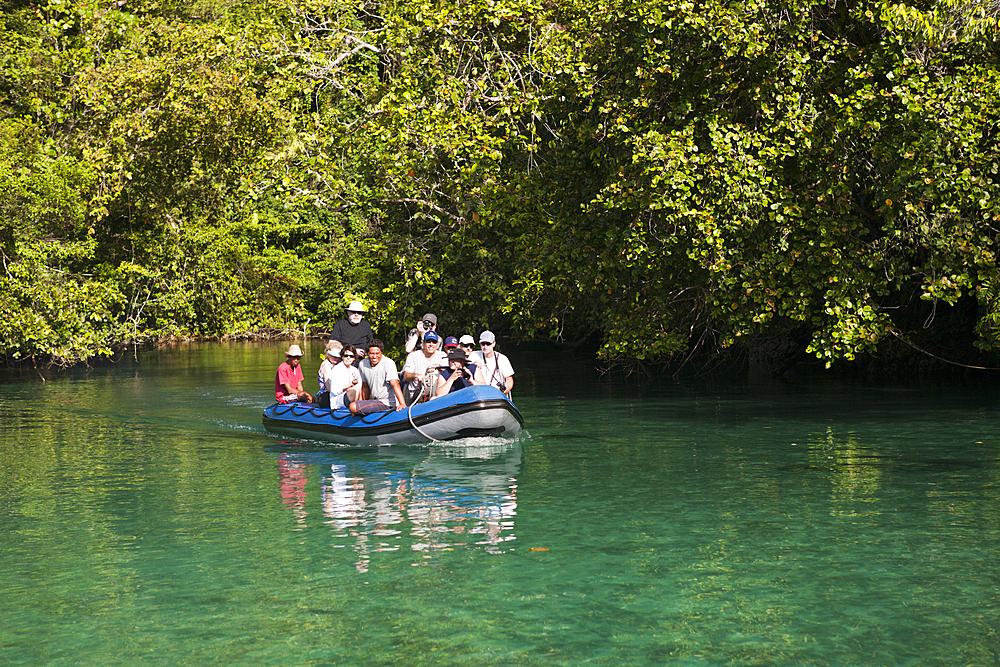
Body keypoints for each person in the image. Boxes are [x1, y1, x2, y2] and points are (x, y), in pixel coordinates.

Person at [350, 339, 406, 414]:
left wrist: (402, 404)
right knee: (355, 406)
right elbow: (365, 386)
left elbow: (395, 384)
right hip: (375, 401)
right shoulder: (362, 364)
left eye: (377, 353)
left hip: (387, 402)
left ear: (381, 353)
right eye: (371, 353)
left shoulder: (388, 363)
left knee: (352, 406)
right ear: (367, 353)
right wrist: (363, 406)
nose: (374, 356)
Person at [401, 330, 448, 404]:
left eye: (434, 342)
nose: (431, 344)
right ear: (423, 343)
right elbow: (406, 376)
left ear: (437, 344)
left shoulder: (442, 355)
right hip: (416, 396)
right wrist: (417, 376)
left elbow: (449, 372)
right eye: (428, 341)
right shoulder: (413, 356)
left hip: (436, 395)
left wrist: (438, 367)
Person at [469, 330, 514, 396]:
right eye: (483, 344)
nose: (485, 346)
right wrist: (472, 366)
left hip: (496, 393)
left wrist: (506, 389)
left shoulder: (502, 358)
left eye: (488, 343)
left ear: (494, 344)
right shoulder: (473, 355)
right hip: (479, 393)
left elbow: (509, 379)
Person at [323, 344, 363, 410]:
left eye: (351, 356)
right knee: (356, 387)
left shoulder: (355, 370)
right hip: (338, 401)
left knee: (360, 384)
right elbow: (334, 390)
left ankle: (360, 406)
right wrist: (350, 385)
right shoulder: (336, 369)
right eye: (346, 355)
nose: (348, 358)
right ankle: (356, 407)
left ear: (354, 358)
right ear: (342, 357)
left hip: (351, 397)